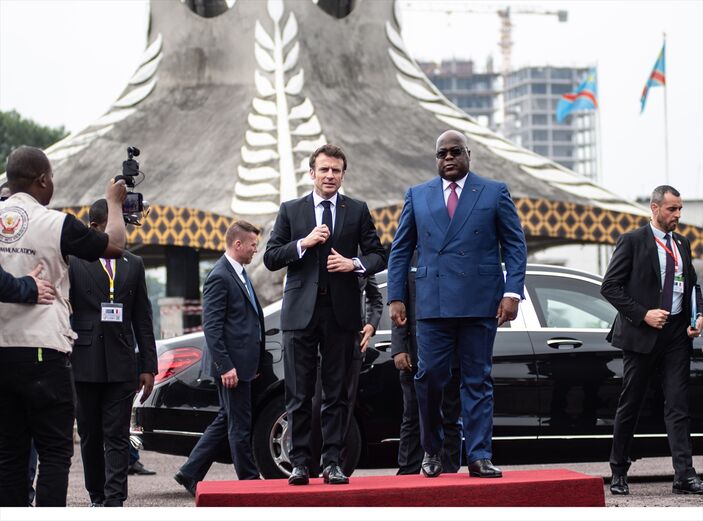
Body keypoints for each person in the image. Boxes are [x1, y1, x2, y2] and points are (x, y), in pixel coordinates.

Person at [387, 130, 527, 479]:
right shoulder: (417, 194)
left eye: (455, 152)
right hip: (432, 303)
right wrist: (396, 297)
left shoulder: (494, 192)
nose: (448, 158)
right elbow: (400, 250)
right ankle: (432, 449)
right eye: (442, 154)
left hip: (480, 301)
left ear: (468, 154)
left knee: (477, 380)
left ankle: (479, 455)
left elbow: (515, 245)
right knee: (429, 377)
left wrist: (512, 293)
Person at [0, 145, 127, 506]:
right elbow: (115, 245)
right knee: (55, 451)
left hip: (1, 351)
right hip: (43, 350)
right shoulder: (56, 223)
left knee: (9, 455)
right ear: (43, 180)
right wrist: (113, 202)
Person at [264, 144, 386, 485]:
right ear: (312, 173)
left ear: (343, 175)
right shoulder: (291, 210)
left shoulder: (357, 210)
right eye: (324, 169)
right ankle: (300, 463)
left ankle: (332, 462)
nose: (330, 175)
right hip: (299, 314)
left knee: (337, 394)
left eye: (336, 170)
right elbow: (271, 257)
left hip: (341, 314)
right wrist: (303, 243)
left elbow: (379, 255)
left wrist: (353, 264)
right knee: (298, 393)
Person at [601, 185, 703, 496]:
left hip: (676, 336)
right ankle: (619, 471)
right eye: (672, 209)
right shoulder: (633, 241)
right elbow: (610, 287)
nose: (678, 215)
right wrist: (643, 314)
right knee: (631, 403)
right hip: (642, 334)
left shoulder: (682, 243)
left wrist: (697, 315)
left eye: (680, 209)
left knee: (678, 405)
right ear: (655, 208)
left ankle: (684, 475)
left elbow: (692, 286)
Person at [68, 198, 157, 506]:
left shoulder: (134, 263)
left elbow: (142, 318)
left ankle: (115, 500)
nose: (122, 232)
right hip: (84, 361)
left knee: (117, 433)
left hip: (122, 362)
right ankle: (97, 496)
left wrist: (148, 366)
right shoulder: (74, 261)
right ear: (94, 228)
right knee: (91, 434)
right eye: (113, 225)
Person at [175, 221, 265, 495]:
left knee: (227, 419)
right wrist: (225, 366)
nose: (255, 250)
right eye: (252, 245)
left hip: (242, 364)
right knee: (239, 424)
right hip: (231, 366)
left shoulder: (238, 272)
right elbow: (212, 327)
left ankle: (189, 472)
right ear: (238, 244)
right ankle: (249, 480)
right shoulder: (220, 276)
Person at [392, 256, 462, 475]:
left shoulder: (455, 254)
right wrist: (399, 347)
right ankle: (408, 473)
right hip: (414, 351)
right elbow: (398, 305)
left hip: (452, 352)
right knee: (412, 415)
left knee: (450, 415)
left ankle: (449, 472)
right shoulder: (409, 255)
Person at [309, 274, 384, 476]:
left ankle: (336, 466)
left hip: (352, 343)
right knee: (317, 407)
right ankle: (311, 466)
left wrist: (371, 324)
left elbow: (375, 297)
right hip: (321, 345)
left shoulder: (360, 261)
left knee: (344, 407)